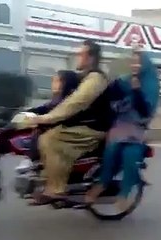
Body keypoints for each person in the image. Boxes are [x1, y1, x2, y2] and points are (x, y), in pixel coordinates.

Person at [28, 40, 113, 205]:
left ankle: (56, 190)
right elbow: (58, 102)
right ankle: (46, 181)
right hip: (83, 124)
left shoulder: (96, 78)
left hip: (94, 127)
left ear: (91, 57)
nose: (78, 58)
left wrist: (47, 118)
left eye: (81, 55)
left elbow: (75, 103)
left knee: (50, 139)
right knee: (44, 134)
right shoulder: (83, 77)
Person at [84, 49, 159, 210]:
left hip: (137, 127)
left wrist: (137, 91)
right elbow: (110, 92)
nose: (134, 65)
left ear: (145, 65)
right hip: (120, 124)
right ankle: (103, 183)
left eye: (138, 62)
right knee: (111, 150)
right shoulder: (125, 80)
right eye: (132, 62)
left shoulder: (151, 84)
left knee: (130, 154)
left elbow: (145, 111)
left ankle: (124, 194)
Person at [26, 70, 79, 161]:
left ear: (67, 83)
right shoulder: (56, 99)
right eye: (53, 80)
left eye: (58, 81)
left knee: (39, 131)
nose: (53, 83)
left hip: (65, 133)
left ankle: (33, 161)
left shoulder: (68, 101)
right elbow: (43, 108)